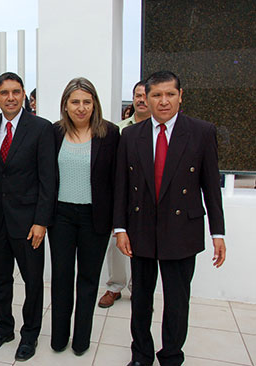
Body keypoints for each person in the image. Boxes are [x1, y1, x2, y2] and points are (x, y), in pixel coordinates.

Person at [114, 71, 226, 366]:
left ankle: (172, 355)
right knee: (141, 300)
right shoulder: (130, 135)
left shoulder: (201, 132)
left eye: (169, 94)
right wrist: (120, 228)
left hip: (181, 229)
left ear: (180, 96)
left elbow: (211, 187)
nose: (163, 101)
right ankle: (141, 354)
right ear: (145, 99)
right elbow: (121, 187)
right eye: (156, 95)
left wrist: (218, 234)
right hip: (140, 229)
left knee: (177, 302)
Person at [0, 72, 55, 362]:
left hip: (29, 221)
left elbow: (49, 179)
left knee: (33, 281)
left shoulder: (41, 128)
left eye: (16, 92)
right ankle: (3, 328)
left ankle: (30, 334)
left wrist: (41, 221)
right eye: (4, 92)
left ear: (24, 95)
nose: (10, 97)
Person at [48, 77, 119, 355]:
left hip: (95, 217)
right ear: (65, 104)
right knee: (61, 277)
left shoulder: (110, 133)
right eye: (75, 101)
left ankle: (81, 339)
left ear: (95, 104)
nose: (81, 107)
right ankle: (59, 336)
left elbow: (116, 180)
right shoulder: (54, 133)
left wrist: (118, 221)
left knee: (88, 280)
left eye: (86, 102)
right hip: (61, 216)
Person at [98, 80, 151, 309]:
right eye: (137, 95)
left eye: (145, 95)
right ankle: (115, 287)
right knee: (117, 244)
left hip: (148, 199)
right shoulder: (118, 129)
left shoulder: (161, 129)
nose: (141, 99)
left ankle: (139, 289)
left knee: (145, 245)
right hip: (122, 197)